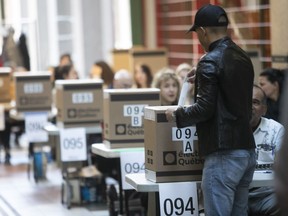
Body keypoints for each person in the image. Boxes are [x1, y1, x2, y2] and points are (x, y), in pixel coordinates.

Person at [165, 4, 256, 216]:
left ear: (203, 31)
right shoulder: (243, 57)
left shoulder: (209, 62)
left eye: (197, 33)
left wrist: (176, 115)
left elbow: (204, 109)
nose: (198, 38)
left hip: (223, 154)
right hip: (247, 150)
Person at [248, 84, 284, 215]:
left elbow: (281, 168)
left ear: (264, 109)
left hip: (268, 194)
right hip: (238, 192)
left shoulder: (275, 129)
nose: (249, 106)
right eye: (245, 101)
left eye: (255, 102)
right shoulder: (230, 129)